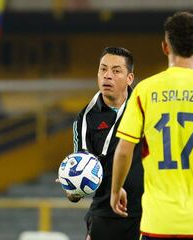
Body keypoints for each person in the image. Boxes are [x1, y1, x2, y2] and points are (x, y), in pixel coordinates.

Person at [110, 12, 193, 240]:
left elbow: (123, 151)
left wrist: (115, 190)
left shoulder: (144, 91)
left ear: (165, 47)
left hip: (158, 224)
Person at [68, 47, 144, 240]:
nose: (107, 76)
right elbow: (82, 168)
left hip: (147, 215)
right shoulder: (85, 119)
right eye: (103, 69)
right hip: (105, 215)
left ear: (130, 78)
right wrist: (73, 187)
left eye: (116, 71)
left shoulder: (146, 110)